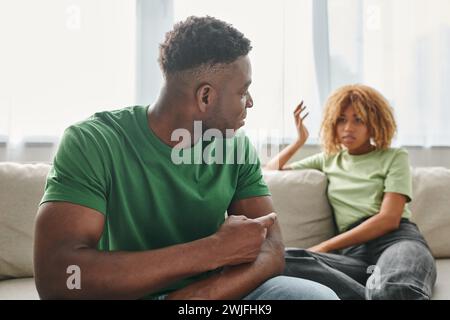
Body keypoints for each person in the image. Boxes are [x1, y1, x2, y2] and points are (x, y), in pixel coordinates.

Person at [33, 16, 338, 300]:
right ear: (205, 97)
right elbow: (58, 276)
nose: (251, 102)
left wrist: (193, 299)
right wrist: (212, 251)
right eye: (243, 92)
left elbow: (272, 250)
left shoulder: (236, 146)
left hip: (213, 294)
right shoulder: (92, 142)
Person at [265, 84, 437, 300]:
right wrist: (299, 140)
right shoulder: (329, 159)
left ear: (374, 123)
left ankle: (378, 291)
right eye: (341, 119)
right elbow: (270, 170)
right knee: (279, 260)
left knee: (395, 289)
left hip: (396, 241)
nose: (348, 128)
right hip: (353, 257)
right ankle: (374, 292)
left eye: (358, 120)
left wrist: (325, 246)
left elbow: (389, 219)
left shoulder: (394, 157)